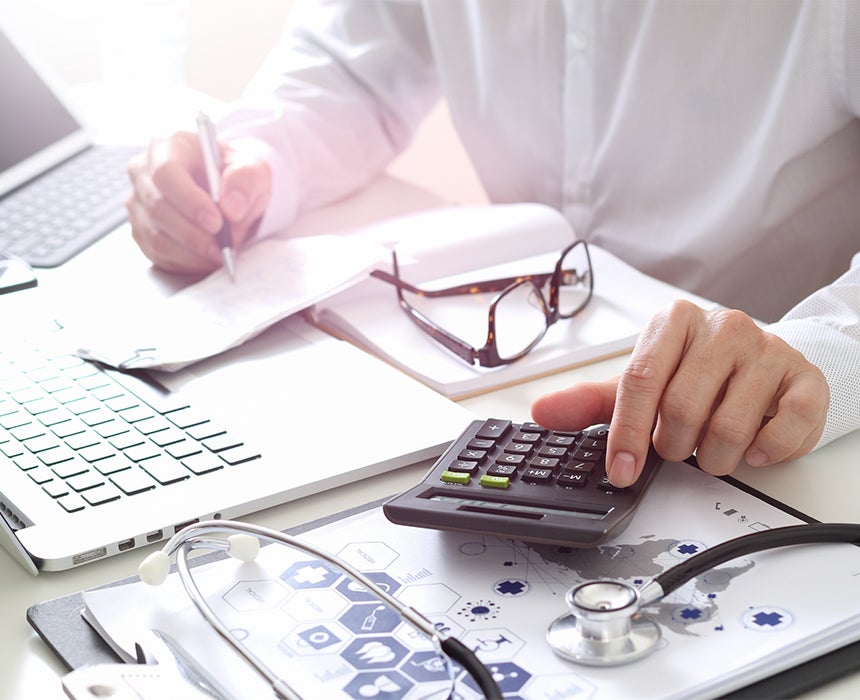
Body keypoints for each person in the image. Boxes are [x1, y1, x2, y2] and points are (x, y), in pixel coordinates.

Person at [125, 1, 860, 481]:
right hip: (514, 364)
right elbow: (355, 68)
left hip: (767, 430)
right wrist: (252, 170)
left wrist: (825, 351)